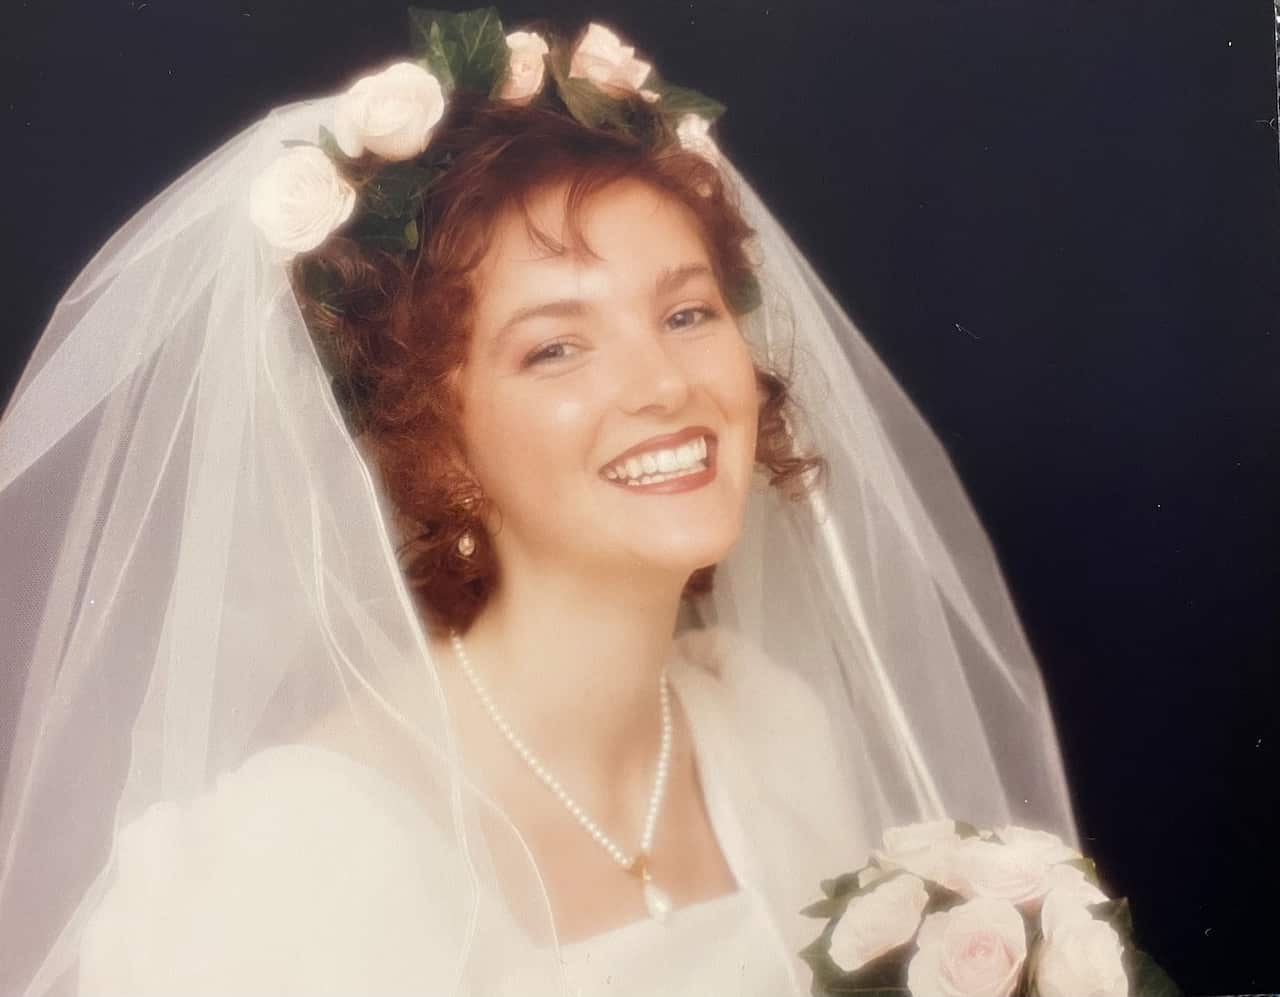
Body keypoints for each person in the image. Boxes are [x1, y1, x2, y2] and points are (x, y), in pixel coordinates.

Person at [0, 12, 1076, 996]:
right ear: (437, 441)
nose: (663, 384)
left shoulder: (770, 729)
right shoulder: (306, 848)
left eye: (688, 313)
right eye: (554, 346)